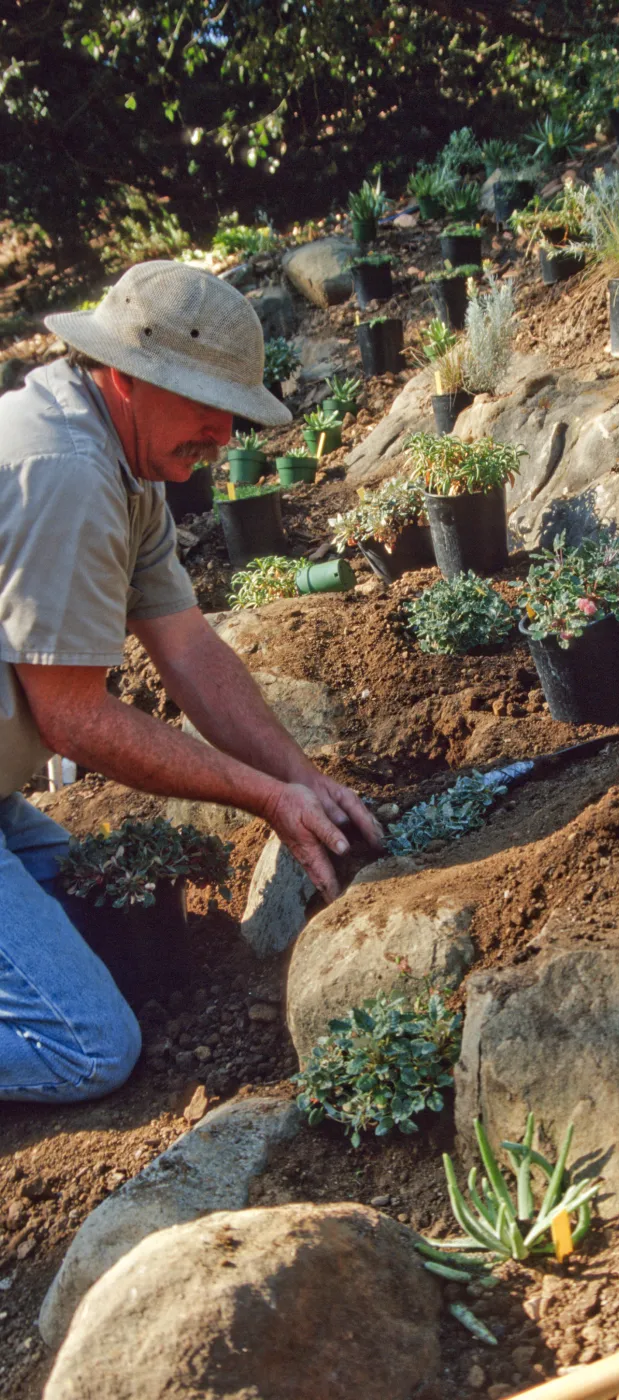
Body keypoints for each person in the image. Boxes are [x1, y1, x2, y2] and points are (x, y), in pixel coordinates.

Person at [0, 260, 382, 1105]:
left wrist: (299, 779)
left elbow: (189, 647)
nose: (225, 435)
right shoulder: (63, 468)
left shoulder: (121, 462)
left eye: (235, 414)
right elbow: (72, 720)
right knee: (85, 1046)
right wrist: (261, 798)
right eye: (208, 406)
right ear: (130, 378)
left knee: (113, 920)